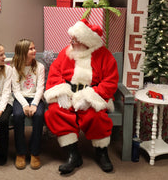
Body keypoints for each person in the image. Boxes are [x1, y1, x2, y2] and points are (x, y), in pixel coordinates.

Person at [44, 18, 119, 175]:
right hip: (69, 94)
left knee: (96, 115)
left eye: (76, 40)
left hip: (92, 94)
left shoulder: (104, 55)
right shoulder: (67, 52)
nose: (71, 42)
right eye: (72, 38)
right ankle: (73, 154)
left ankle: (102, 153)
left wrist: (90, 97)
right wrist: (61, 92)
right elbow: (55, 72)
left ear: (87, 42)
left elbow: (110, 81)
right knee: (55, 112)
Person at [12, 39, 45, 170]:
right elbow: (16, 90)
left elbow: (40, 88)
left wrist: (35, 104)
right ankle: (20, 152)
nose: (34, 51)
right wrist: (25, 105)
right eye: (31, 49)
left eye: (34, 48)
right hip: (21, 99)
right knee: (18, 116)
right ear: (23, 52)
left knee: (39, 115)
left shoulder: (40, 67)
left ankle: (34, 152)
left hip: (36, 98)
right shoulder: (15, 67)